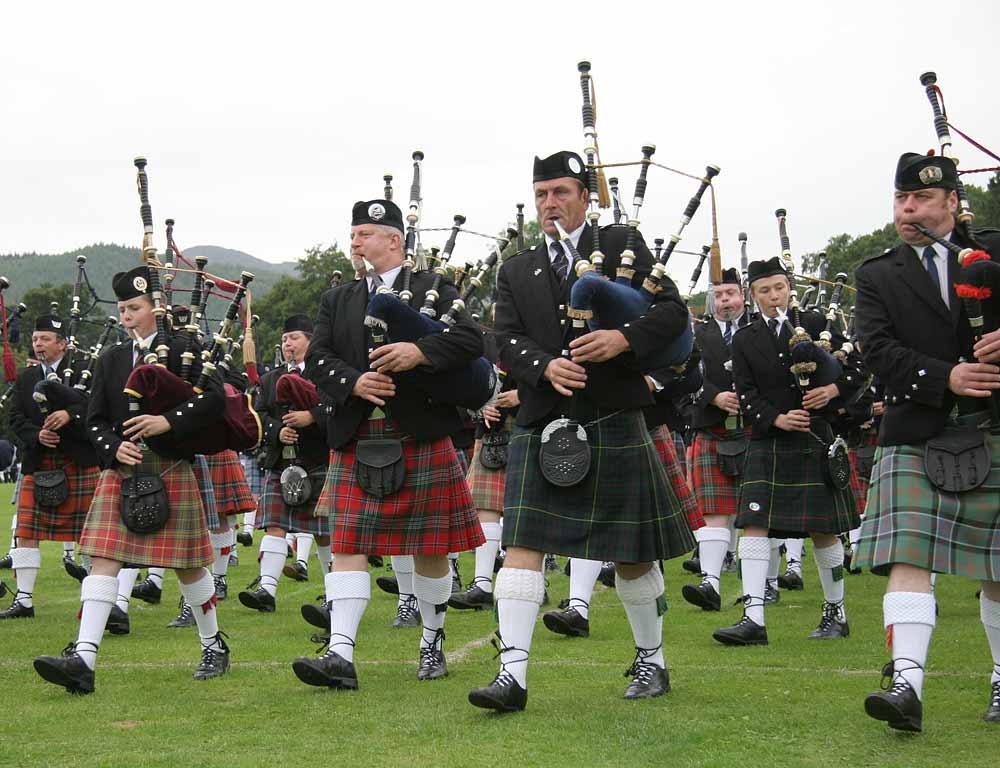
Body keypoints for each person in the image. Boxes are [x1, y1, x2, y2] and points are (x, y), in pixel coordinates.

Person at [468, 150, 695, 712]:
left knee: (632, 556)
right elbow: (504, 336)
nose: (550, 204)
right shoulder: (516, 268)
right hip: (545, 418)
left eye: (561, 192)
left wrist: (624, 339)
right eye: (542, 194)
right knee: (520, 546)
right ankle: (511, 675)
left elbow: (672, 314)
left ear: (586, 197)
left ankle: (651, 660)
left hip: (614, 414)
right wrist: (542, 366)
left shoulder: (621, 246)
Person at [290, 199, 484, 690]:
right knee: (347, 543)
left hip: (419, 431)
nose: (354, 241)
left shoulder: (434, 288)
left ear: (394, 240)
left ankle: (432, 641)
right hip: (358, 432)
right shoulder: (339, 298)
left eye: (364, 233)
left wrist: (420, 350)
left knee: (430, 548)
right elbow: (318, 359)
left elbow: (469, 343)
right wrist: (354, 383)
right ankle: (340, 654)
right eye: (352, 234)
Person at [32, 267, 231, 694]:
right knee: (102, 558)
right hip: (122, 470)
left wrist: (166, 422)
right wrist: (111, 448)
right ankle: (83, 658)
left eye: (134, 308)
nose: (126, 316)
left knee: (190, 567)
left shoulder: (185, 347)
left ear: (154, 307)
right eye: (122, 309)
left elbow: (214, 402)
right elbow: (95, 417)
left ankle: (213, 643)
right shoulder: (112, 359)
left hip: (172, 466)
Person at [855, 152, 1000, 731]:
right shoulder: (878, 273)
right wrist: (947, 376)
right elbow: (876, 349)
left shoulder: (993, 252)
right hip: (918, 426)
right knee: (908, 554)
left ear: (950, 203)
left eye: (918, 199)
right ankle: (906, 684)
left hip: (993, 426)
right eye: (900, 199)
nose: (907, 209)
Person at [712, 256, 861, 647]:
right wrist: (776, 419)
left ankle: (836, 612)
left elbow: (859, 369)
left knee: (823, 528)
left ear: (789, 288)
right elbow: (745, 391)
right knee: (754, 525)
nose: (773, 296)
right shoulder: (745, 339)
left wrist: (833, 390)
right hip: (770, 439)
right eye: (764, 290)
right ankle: (753, 617)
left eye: (779, 287)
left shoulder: (816, 325)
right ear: (752, 295)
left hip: (814, 438)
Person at [1, 315, 100, 619]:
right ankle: (24, 600)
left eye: (45, 339)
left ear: (62, 344)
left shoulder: (86, 370)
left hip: (80, 460)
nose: (38, 345)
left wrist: (71, 416)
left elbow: (98, 406)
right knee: (26, 532)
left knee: (93, 534)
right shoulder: (27, 377)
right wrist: (37, 435)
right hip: (39, 460)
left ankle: (94, 600)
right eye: (35, 340)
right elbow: (15, 418)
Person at [240, 314, 331, 613]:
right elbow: (258, 416)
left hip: (320, 462)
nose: (287, 344)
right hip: (282, 463)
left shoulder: (326, 374)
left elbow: (338, 410)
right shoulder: (270, 379)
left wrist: (311, 417)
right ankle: (266, 589)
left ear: (310, 340)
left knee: (325, 532)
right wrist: (277, 430)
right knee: (274, 526)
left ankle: (334, 594)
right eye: (284, 339)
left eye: (294, 338)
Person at [682, 269, 751, 612]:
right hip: (711, 426)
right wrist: (713, 396)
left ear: (743, 296)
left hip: (757, 429)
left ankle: (764, 586)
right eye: (720, 295)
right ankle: (710, 582)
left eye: (731, 294)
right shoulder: (698, 334)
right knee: (714, 511)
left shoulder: (759, 330)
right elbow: (682, 374)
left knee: (756, 513)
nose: (725, 301)